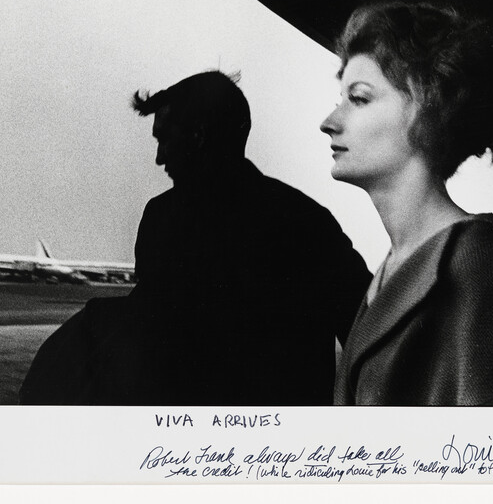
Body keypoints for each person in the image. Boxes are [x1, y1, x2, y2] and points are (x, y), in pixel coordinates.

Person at [20, 70, 370, 405]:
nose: (159, 157)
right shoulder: (308, 221)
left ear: (198, 137)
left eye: (164, 138)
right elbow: (370, 334)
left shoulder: (163, 219)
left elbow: (148, 340)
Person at [321, 1, 493, 406]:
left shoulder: (486, 281)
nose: (329, 122)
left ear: (431, 109)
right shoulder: (397, 266)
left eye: (359, 98)